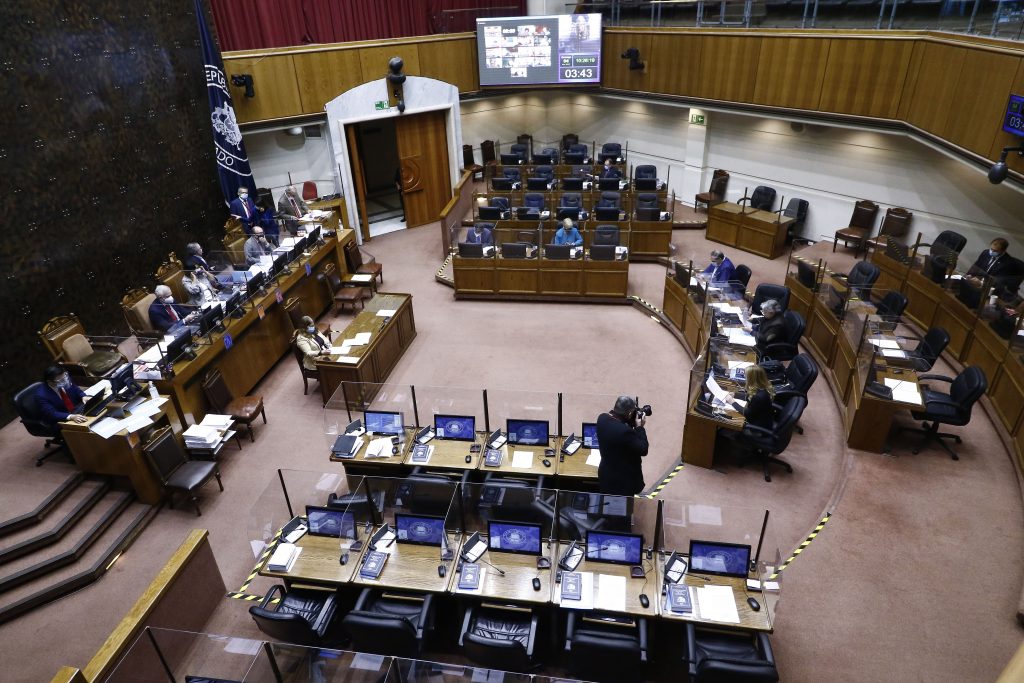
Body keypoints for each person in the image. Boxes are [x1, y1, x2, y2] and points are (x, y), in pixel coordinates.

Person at [596, 396, 649, 496]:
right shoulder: (625, 432)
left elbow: (618, 427)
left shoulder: (601, 418)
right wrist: (639, 428)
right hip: (623, 482)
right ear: (629, 413)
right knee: (622, 508)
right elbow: (643, 449)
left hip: (605, 475)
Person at [729, 365, 775, 432]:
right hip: (765, 419)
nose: (745, 378)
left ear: (752, 379)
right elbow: (750, 396)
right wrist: (735, 395)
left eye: (746, 377)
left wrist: (732, 402)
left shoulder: (759, 397)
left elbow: (747, 413)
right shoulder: (763, 387)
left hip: (757, 427)